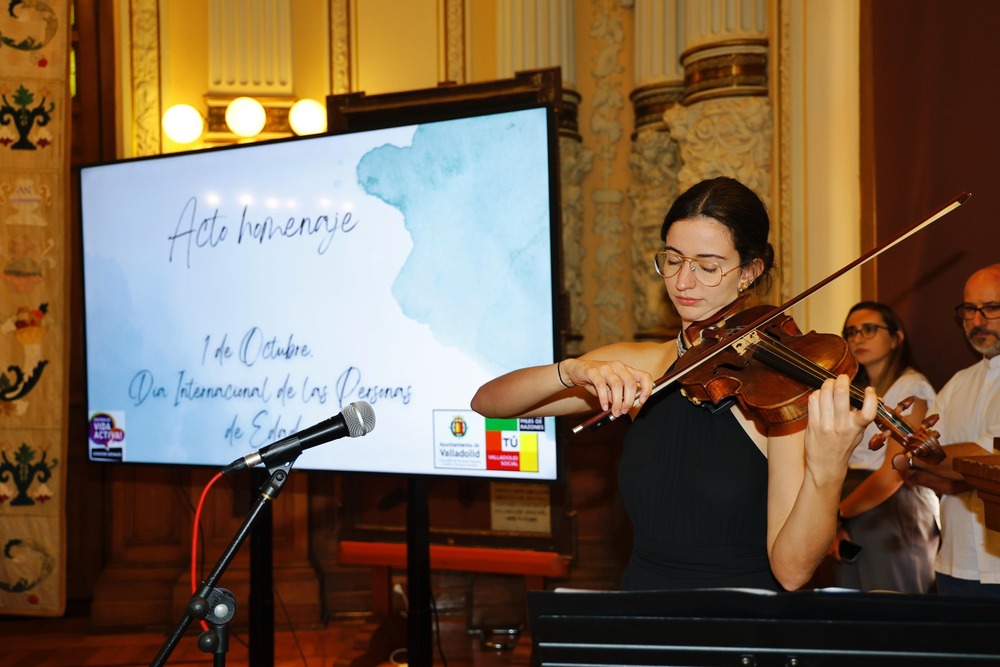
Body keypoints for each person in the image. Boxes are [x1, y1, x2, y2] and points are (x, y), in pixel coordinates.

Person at [471, 176, 877, 592]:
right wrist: (570, 370)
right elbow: (489, 402)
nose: (683, 282)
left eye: (707, 266)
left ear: (750, 271)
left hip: (738, 626)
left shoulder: (777, 388)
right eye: (673, 259)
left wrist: (826, 474)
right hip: (642, 612)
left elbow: (792, 573)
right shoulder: (641, 365)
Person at [897, 263, 1000, 597]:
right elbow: (918, 462)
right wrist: (943, 468)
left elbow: (987, 461)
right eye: (969, 309)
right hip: (954, 560)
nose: (977, 321)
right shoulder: (958, 382)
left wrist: (946, 467)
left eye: (992, 308)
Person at [830, 301, 939, 593]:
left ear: (896, 337)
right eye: (851, 332)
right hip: (852, 504)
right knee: (854, 613)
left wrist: (836, 515)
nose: (858, 338)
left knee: (892, 607)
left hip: (891, 507)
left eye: (869, 329)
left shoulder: (911, 386)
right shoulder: (856, 391)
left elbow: (893, 472)